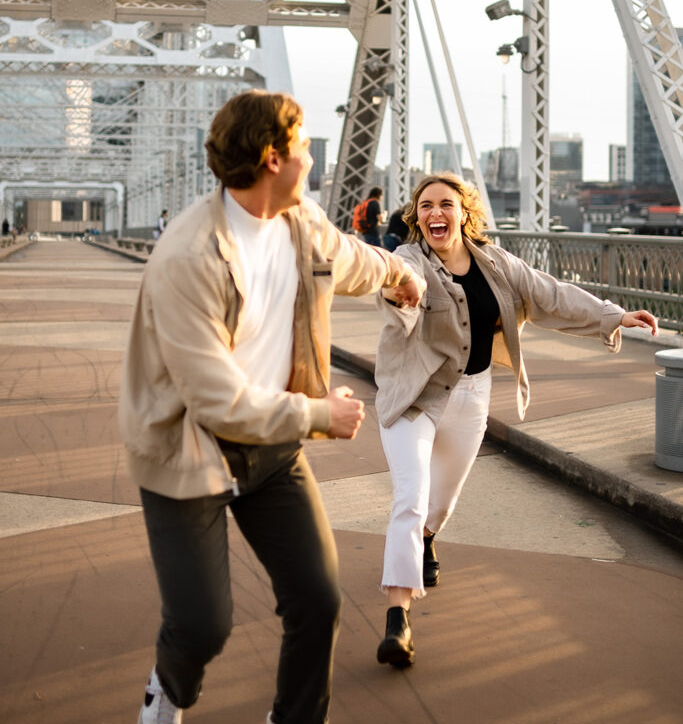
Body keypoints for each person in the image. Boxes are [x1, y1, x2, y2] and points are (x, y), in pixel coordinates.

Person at [118, 90, 422, 724]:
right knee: (202, 626)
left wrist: (396, 270)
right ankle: (165, 691)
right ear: (272, 157)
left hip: (272, 454)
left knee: (316, 602)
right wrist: (317, 415)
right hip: (188, 456)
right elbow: (218, 402)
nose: (313, 155)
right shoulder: (187, 257)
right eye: (305, 144)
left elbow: (347, 259)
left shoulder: (299, 222)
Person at [373, 172, 658, 668]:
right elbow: (396, 283)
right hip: (412, 396)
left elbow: (550, 294)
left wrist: (614, 316)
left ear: (465, 212)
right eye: (425, 207)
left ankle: (426, 541)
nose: (435, 213)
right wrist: (400, 295)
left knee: (440, 503)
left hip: (471, 393)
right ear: (415, 217)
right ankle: (398, 617)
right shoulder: (409, 259)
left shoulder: (495, 263)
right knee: (411, 497)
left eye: (445, 204)